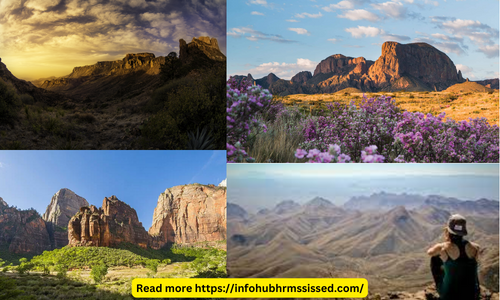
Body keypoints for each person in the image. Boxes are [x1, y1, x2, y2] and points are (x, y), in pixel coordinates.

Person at [427, 214, 480, 300]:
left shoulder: (442, 247)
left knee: (435, 258)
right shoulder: (476, 247)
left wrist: (444, 243)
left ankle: (445, 284)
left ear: (448, 230)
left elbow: (429, 252)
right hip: (471, 294)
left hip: (449, 295)